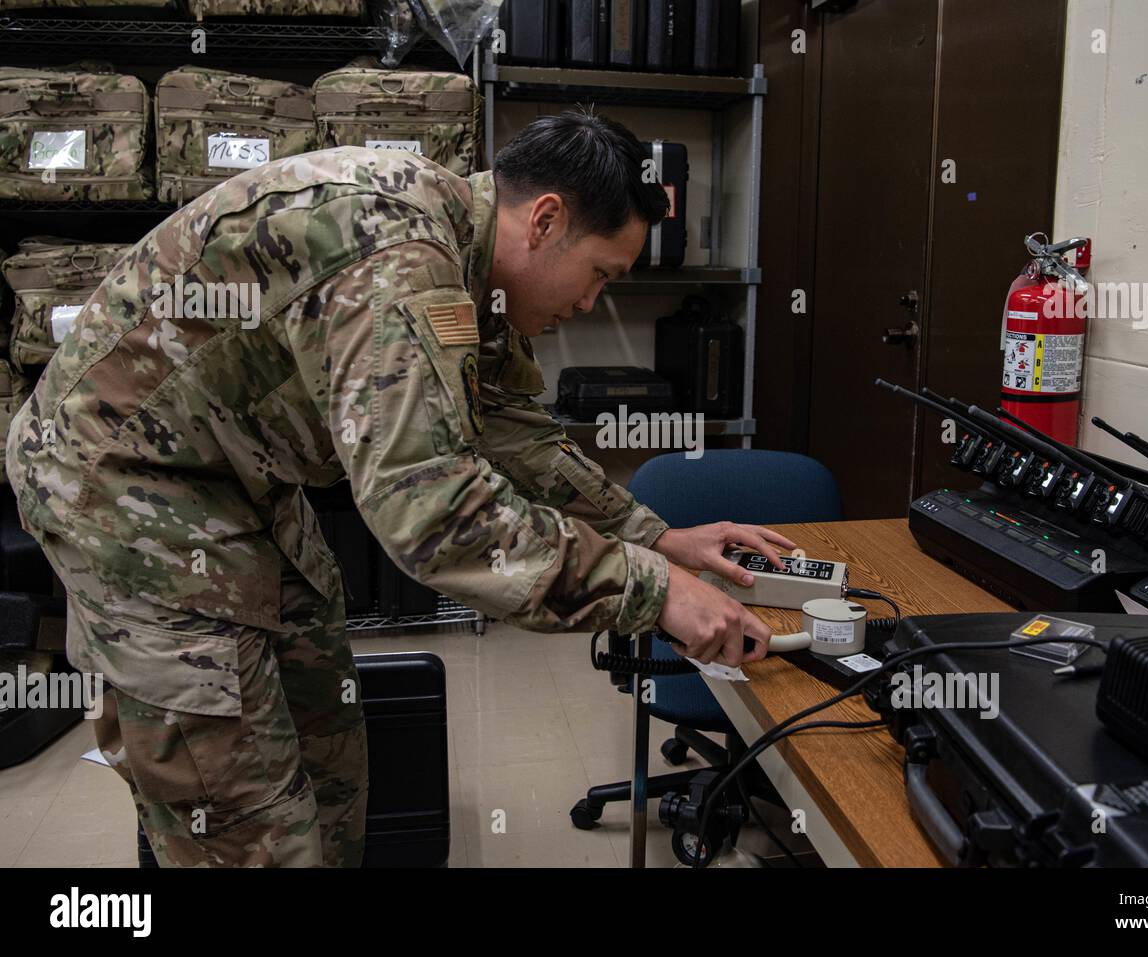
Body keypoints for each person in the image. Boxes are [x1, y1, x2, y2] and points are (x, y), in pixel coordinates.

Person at [6, 108, 793, 867]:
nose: (589, 304)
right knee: (244, 820)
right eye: (598, 276)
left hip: (234, 480)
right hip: (120, 483)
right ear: (545, 220)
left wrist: (652, 535)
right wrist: (656, 592)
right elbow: (434, 515)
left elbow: (513, 432)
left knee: (329, 750)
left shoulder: (472, 261)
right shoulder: (401, 253)